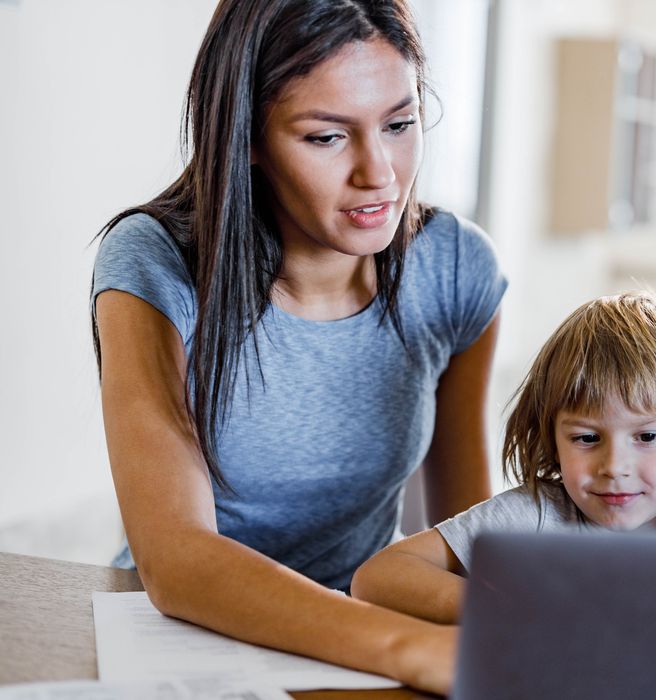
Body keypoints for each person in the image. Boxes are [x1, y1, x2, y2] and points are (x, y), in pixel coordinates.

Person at [90, 0, 505, 693]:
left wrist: (523, 621)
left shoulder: (456, 269)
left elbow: (464, 539)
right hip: (176, 643)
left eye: (399, 124)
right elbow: (177, 559)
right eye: (326, 138)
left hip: (358, 653)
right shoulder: (154, 262)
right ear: (246, 135)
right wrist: (409, 648)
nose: (380, 174)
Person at [352, 292, 656, 628]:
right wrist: (519, 607)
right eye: (587, 438)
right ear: (553, 439)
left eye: (647, 437)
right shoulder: (538, 514)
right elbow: (378, 576)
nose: (615, 466)